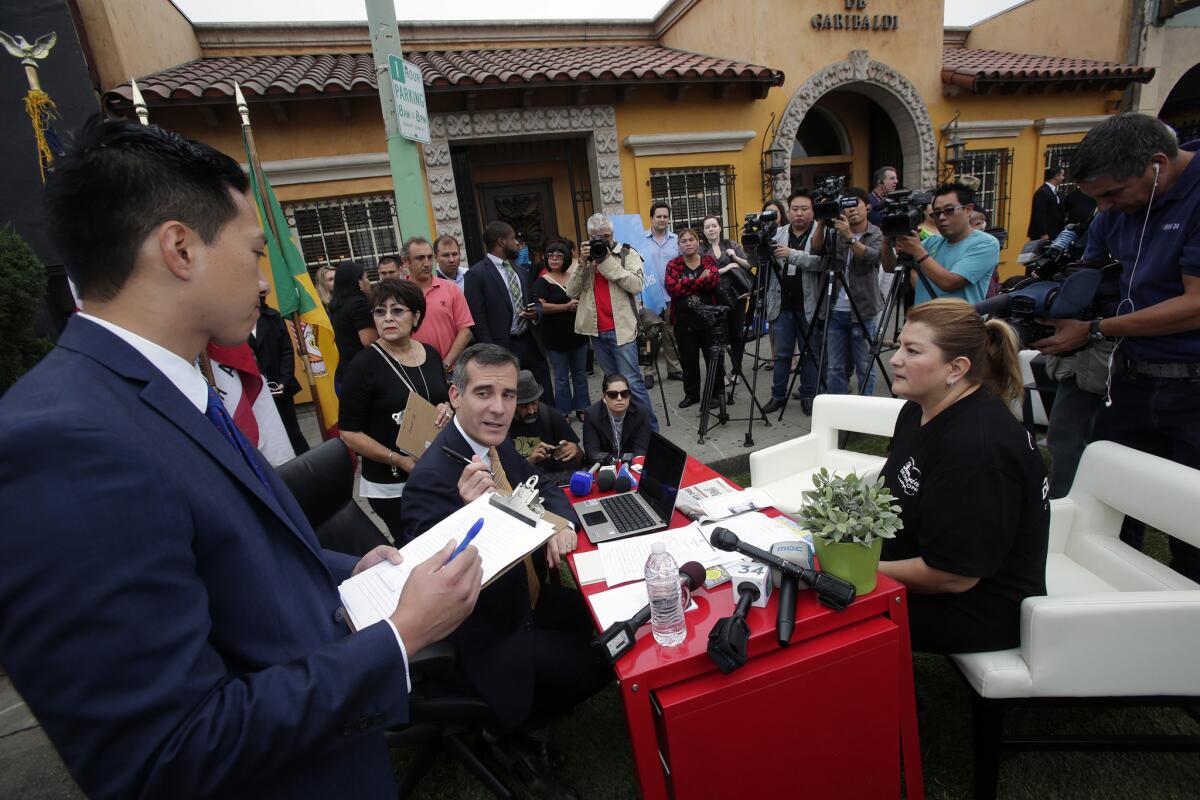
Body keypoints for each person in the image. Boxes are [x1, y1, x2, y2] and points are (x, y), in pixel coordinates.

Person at [0, 116, 483, 799]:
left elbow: (231, 557)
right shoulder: (61, 443)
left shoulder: (173, 386)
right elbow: (167, 755)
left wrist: (348, 567)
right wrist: (398, 639)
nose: (265, 282)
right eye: (256, 253)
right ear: (180, 248)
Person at [399, 344, 610, 795]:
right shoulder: (431, 480)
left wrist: (560, 524)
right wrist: (473, 519)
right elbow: (443, 588)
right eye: (484, 393)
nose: (499, 409)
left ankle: (533, 707)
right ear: (455, 396)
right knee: (601, 662)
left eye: (509, 395)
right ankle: (514, 730)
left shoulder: (490, 447)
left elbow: (542, 486)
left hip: (525, 596)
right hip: (486, 630)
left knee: (605, 621)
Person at [1034, 112, 1200, 582]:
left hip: (1192, 390)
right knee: (1107, 513)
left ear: (1156, 165)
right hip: (1130, 379)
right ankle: (1106, 609)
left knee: (1190, 528)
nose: (1103, 208)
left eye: (1111, 194)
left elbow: (1195, 305)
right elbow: (1089, 276)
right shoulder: (1116, 210)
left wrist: (1094, 329)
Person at [879, 298, 1049, 653]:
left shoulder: (976, 448)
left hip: (979, 609)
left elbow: (954, 577)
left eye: (912, 351)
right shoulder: (917, 410)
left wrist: (859, 570)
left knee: (827, 603)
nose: (895, 360)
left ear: (955, 368)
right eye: (899, 347)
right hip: (921, 571)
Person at [338, 278, 454, 537]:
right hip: (391, 483)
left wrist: (446, 407)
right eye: (380, 312)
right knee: (415, 548)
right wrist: (398, 459)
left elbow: (441, 397)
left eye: (397, 310)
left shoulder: (431, 353)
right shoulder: (363, 365)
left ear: (416, 316)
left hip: (435, 471)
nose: (387, 318)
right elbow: (348, 432)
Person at [566, 212, 660, 431]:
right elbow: (571, 291)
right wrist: (582, 263)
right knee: (613, 385)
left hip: (623, 331)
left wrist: (606, 261)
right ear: (589, 237)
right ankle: (623, 429)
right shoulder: (586, 261)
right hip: (597, 332)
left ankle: (651, 431)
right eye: (595, 237)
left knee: (633, 384)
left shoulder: (627, 254)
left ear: (612, 235)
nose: (601, 241)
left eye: (605, 236)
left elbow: (636, 285)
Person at [464, 220, 555, 407]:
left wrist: (535, 312)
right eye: (513, 239)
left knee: (544, 393)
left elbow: (536, 302)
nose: (517, 244)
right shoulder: (477, 274)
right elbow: (478, 319)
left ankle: (550, 430)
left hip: (531, 341)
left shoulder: (520, 271)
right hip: (503, 347)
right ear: (501, 242)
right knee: (510, 396)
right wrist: (492, 352)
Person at [810, 187, 885, 396]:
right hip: (835, 310)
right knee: (834, 368)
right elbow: (815, 249)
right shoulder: (834, 232)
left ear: (867, 206)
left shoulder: (876, 233)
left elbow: (871, 257)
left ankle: (864, 409)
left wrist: (849, 236)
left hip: (863, 310)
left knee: (864, 367)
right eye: (846, 206)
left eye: (855, 205)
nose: (851, 211)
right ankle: (839, 411)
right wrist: (821, 223)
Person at [893, 181, 1000, 306]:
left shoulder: (986, 243)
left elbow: (949, 283)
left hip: (957, 323)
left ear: (968, 209)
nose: (942, 217)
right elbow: (891, 267)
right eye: (937, 213)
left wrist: (918, 251)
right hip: (922, 322)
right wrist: (888, 236)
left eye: (949, 210)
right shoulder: (932, 242)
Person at [764, 192, 824, 415]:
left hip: (808, 304)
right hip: (781, 304)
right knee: (781, 354)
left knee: (809, 353)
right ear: (788, 211)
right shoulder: (777, 233)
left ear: (812, 210)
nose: (799, 213)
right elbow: (757, 261)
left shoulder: (820, 233)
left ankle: (808, 395)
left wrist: (792, 255)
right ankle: (778, 395)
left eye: (804, 208)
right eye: (795, 209)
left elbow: (822, 263)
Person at [666, 228, 724, 409]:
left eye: (691, 240)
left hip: (709, 321)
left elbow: (713, 281)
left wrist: (685, 283)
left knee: (713, 359)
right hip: (684, 323)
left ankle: (716, 394)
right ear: (679, 245)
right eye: (684, 241)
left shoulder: (709, 260)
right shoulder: (673, 265)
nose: (688, 243)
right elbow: (672, 289)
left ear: (698, 242)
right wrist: (700, 281)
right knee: (688, 360)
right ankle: (692, 394)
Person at [534, 238, 590, 420]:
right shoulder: (543, 281)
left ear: (566, 258)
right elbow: (541, 307)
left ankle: (583, 408)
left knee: (580, 374)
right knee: (561, 377)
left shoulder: (574, 277)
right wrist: (565, 307)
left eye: (559, 256)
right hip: (555, 338)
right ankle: (563, 411)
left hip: (578, 335)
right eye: (551, 256)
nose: (554, 259)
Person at [249, 289, 311, 455]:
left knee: (292, 434)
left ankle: (307, 472)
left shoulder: (272, 317)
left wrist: (283, 381)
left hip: (279, 389)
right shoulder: (233, 323)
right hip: (254, 394)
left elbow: (286, 351)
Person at [404, 236, 473, 373]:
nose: (427, 263)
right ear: (405, 261)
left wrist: (446, 364)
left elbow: (465, 331)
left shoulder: (451, 289)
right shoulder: (398, 294)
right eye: (420, 258)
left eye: (430, 257)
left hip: (452, 371)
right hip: (414, 372)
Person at [700, 215, 752, 389]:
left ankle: (736, 371)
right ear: (704, 231)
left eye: (714, 225)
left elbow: (748, 265)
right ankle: (720, 374)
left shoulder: (731, 245)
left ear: (720, 228)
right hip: (714, 299)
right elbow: (705, 273)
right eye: (707, 227)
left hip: (736, 297)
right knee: (718, 338)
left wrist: (734, 258)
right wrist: (728, 267)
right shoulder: (701, 250)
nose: (711, 229)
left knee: (737, 335)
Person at [509, 368, 583, 484]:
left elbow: (581, 457)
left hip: (552, 481)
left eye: (534, 403)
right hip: (519, 485)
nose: (531, 411)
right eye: (524, 406)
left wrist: (575, 450)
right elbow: (499, 471)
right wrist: (529, 461)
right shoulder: (502, 425)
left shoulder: (551, 416)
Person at [642, 201, 684, 381]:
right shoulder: (640, 240)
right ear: (651, 218)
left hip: (671, 296)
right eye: (658, 216)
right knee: (648, 336)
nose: (662, 220)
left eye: (665, 216)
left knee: (671, 334)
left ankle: (674, 369)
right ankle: (648, 372)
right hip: (649, 296)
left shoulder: (676, 240)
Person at [328, 260, 378, 391]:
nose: (369, 282)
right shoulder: (358, 304)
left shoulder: (337, 305)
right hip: (363, 372)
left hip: (345, 371)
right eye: (366, 277)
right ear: (359, 283)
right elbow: (369, 341)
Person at [582, 373, 653, 462]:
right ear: (603, 397)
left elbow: (641, 449)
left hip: (632, 463)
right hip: (603, 465)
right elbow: (592, 452)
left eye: (624, 393)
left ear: (629, 395)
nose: (619, 398)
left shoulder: (641, 412)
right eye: (612, 394)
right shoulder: (591, 415)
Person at [1027, 165, 1066, 241]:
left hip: (1054, 232)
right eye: (1062, 175)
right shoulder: (1043, 192)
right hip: (1044, 235)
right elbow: (1039, 214)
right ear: (1056, 176)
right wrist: (1043, 233)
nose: (1063, 178)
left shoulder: (1053, 191)